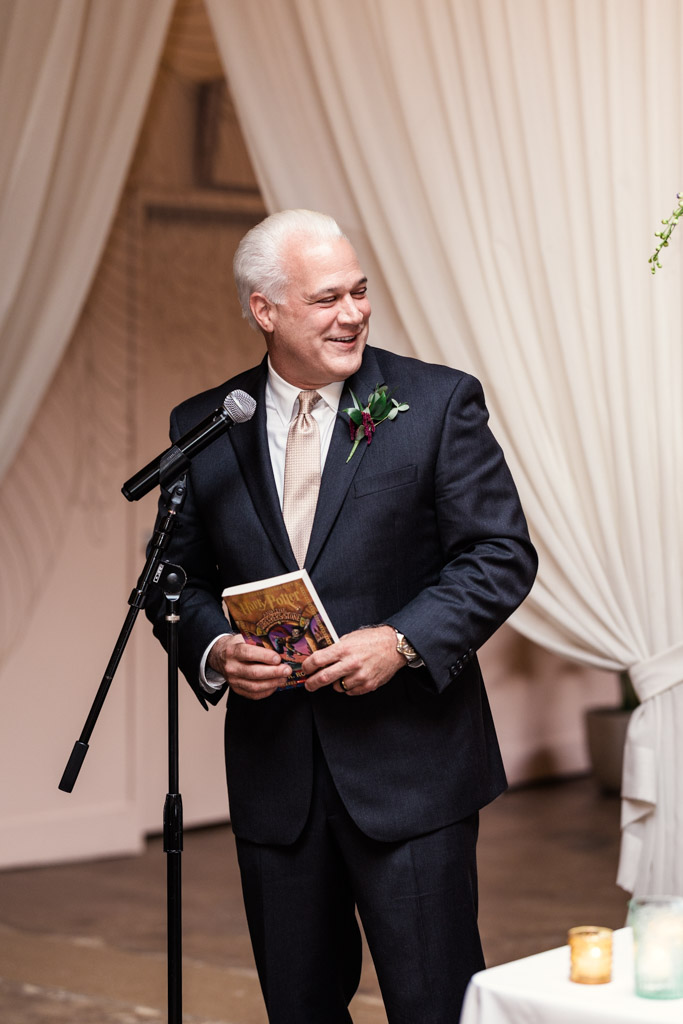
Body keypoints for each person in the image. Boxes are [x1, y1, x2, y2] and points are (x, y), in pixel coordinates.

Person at [146, 209, 538, 1023]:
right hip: (275, 780)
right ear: (265, 310)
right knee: (299, 1008)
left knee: (432, 1005)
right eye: (326, 299)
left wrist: (401, 641)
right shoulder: (205, 426)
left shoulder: (434, 404)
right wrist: (216, 649)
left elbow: (500, 554)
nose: (353, 312)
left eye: (359, 292)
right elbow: (168, 580)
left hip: (411, 774)